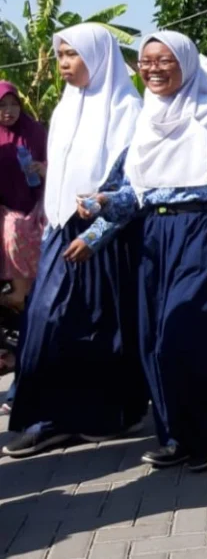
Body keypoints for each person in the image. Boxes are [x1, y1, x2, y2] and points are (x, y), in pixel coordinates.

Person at [80, 30, 207, 471]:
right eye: (146, 61)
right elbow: (135, 193)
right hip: (155, 237)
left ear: (186, 63)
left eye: (164, 60)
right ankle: (178, 437)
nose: (152, 69)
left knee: (187, 335)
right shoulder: (145, 123)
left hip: (204, 233)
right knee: (153, 340)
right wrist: (102, 204)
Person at [4, 24, 149, 457]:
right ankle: (50, 419)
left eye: (73, 54)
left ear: (98, 57)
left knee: (100, 327)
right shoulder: (66, 108)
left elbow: (132, 185)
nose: (64, 63)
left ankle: (103, 415)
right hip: (61, 229)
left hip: (105, 235)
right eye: (61, 55)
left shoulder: (128, 110)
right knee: (45, 319)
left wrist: (97, 232)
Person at [0, 82, 46, 312]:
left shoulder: (34, 130)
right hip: (6, 206)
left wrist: (44, 168)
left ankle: (30, 293)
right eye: (2, 105)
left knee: (45, 231)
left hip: (38, 200)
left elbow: (56, 161)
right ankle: (20, 293)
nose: (9, 110)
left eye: (13, 104)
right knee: (14, 230)